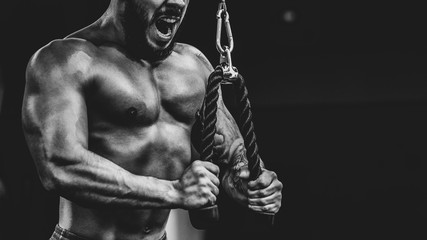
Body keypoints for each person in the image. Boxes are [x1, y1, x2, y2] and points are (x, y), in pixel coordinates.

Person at [21, 0, 283, 240]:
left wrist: (245, 178)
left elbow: (233, 147)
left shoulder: (193, 65)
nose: (178, 2)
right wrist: (174, 192)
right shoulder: (65, 60)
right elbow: (60, 165)